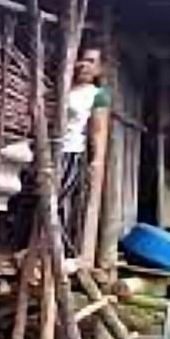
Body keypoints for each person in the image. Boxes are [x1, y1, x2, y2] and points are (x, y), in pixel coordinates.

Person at [60, 44, 110, 256]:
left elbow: (98, 130)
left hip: (71, 152)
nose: (84, 65)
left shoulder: (98, 95)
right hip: (48, 150)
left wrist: (97, 159)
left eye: (91, 61)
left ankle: (61, 252)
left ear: (100, 69)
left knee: (61, 202)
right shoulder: (62, 87)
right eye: (82, 59)